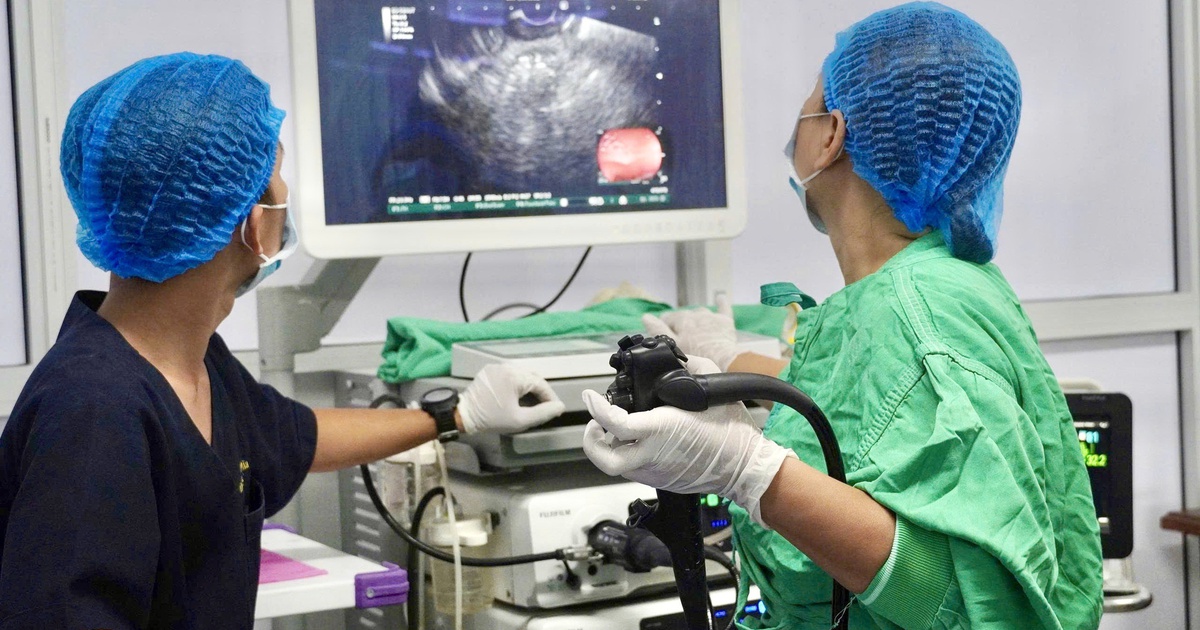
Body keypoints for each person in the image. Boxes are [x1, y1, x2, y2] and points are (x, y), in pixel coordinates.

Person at [0, 52, 565, 629]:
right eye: (278, 177)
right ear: (252, 222)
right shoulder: (94, 410)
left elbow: (294, 436)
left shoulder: (193, 363)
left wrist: (458, 415)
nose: (286, 194)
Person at [582, 4, 1102, 629]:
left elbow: (969, 607)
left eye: (808, 107)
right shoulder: (948, 283)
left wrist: (747, 470)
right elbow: (885, 416)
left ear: (831, 134)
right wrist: (736, 372)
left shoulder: (914, 312)